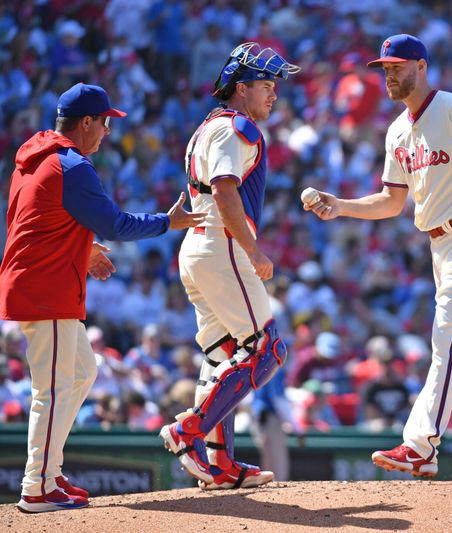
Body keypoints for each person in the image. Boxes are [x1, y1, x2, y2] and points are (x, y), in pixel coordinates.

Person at [305, 34, 452, 484]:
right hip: (440, 243)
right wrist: (342, 205)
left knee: (446, 335)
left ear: (422, 66)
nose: (389, 74)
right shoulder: (396, 130)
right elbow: (392, 203)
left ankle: (420, 444)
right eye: (384, 68)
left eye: (396, 66)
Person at [0, 82, 205, 513]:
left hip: (43, 281)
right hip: (45, 289)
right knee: (52, 389)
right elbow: (115, 224)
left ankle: (50, 473)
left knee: (81, 371)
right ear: (87, 121)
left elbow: (34, 218)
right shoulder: (71, 165)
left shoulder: (36, 159)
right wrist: (169, 222)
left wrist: (82, 246)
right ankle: (36, 485)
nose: (108, 131)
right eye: (105, 122)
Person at [159, 42, 301, 490]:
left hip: (202, 248)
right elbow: (224, 189)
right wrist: (253, 251)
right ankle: (190, 431)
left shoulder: (210, 126)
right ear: (241, 89)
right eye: (265, 84)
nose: (273, 94)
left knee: (225, 356)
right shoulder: (237, 127)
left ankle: (220, 466)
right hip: (222, 248)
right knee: (266, 350)